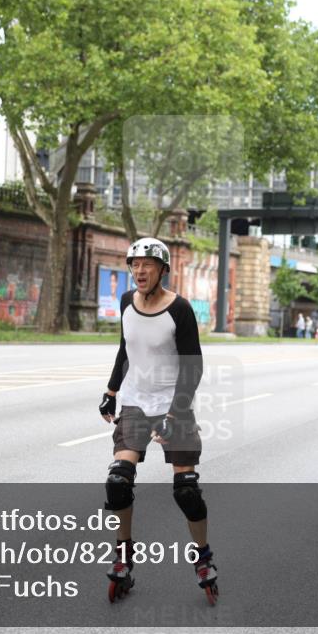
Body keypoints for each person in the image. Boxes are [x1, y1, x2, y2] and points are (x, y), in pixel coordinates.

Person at [97, 237, 216, 604]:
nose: (139, 271)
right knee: (118, 482)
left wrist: (174, 413)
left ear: (163, 269)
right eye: (134, 265)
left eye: (147, 265)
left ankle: (203, 558)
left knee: (186, 490)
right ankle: (124, 556)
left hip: (172, 402)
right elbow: (125, 348)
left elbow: (193, 366)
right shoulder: (125, 303)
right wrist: (112, 391)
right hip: (135, 401)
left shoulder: (178, 309)